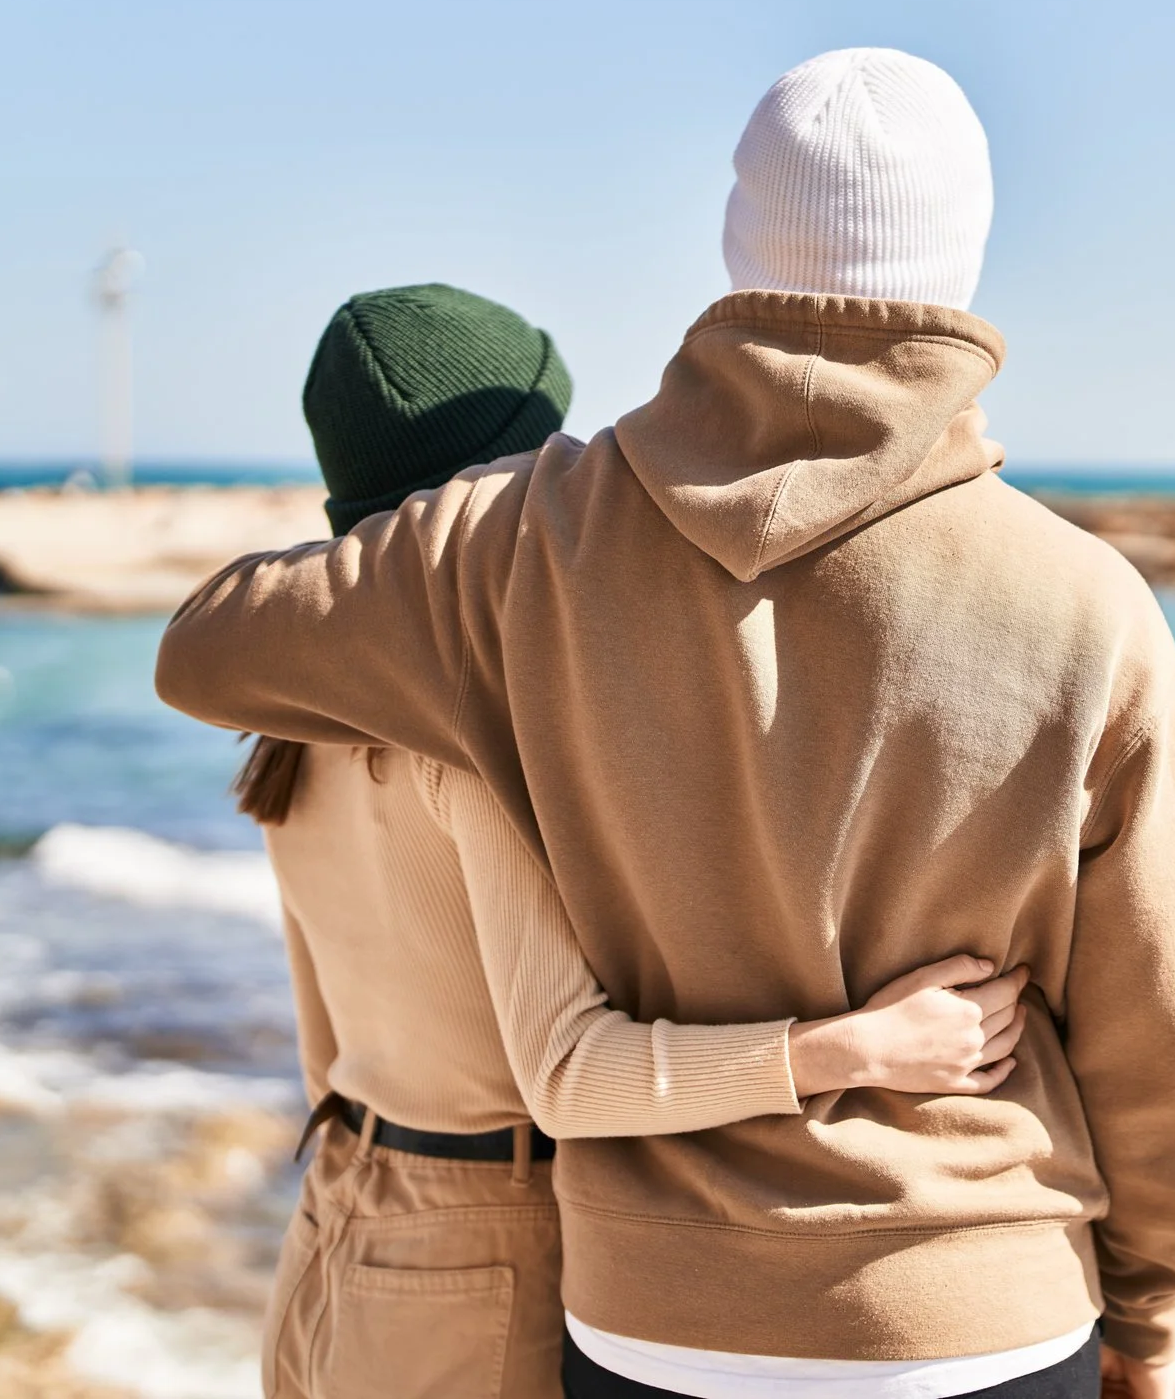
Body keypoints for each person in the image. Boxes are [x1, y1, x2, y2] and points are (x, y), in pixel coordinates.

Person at [158, 47, 1175, 1399]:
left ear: (738, 247)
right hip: (979, 1304)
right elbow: (1159, 1029)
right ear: (962, 261)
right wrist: (1149, 1312)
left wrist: (449, 531)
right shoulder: (1089, 603)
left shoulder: (518, 544)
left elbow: (204, 651)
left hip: (646, 1310)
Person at [245, 282, 1031, 1399]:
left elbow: (325, 1052)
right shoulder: (462, 736)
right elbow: (565, 1073)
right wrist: (857, 1048)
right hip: (486, 1264)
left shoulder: (294, 712)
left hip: (335, 1231)